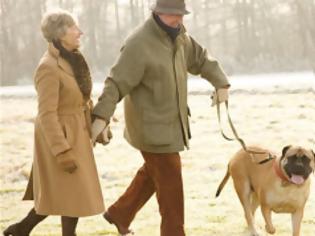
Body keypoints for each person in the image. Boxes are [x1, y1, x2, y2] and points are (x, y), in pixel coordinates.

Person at [91, 0, 230, 235]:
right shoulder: (139, 44)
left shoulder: (179, 36)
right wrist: (101, 117)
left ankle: (119, 213)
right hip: (150, 128)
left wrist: (221, 83)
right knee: (171, 189)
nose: (179, 19)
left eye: (181, 15)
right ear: (157, 13)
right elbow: (116, 83)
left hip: (172, 125)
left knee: (154, 173)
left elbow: (201, 59)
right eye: (173, 15)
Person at [3, 9, 105, 236]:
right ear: (60, 34)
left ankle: (20, 230)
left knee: (67, 193)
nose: (80, 32)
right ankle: (27, 230)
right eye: (74, 28)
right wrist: (61, 150)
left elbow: (80, 98)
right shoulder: (47, 67)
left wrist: (97, 128)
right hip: (60, 136)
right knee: (64, 192)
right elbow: (47, 114)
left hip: (77, 132)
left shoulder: (74, 59)